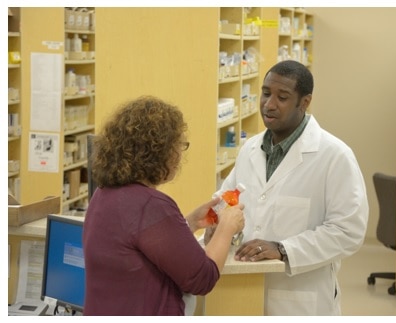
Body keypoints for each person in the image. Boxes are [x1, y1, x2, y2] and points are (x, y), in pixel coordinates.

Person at [205, 60, 369, 315]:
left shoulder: (334, 155)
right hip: (245, 290)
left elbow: (348, 231)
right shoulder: (250, 149)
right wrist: (214, 219)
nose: (269, 104)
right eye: (266, 93)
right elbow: (229, 196)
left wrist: (283, 250)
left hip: (301, 297)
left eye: (282, 97)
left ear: (304, 102)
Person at [82, 95, 244, 316]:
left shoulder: (103, 195)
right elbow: (202, 279)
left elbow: (139, 245)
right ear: (159, 151)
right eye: (178, 146)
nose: (179, 154)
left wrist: (188, 223)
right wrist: (227, 227)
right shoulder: (151, 205)